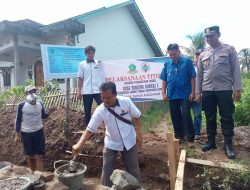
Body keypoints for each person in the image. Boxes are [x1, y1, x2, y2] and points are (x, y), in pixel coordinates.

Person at [73, 82, 142, 187]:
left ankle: (137, 187)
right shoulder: (100, 110)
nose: (105, 101)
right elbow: (90, 129)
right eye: (103, 97)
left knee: (133, 169)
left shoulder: (126, 102)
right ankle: (105, 187)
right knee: (107, 170)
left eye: (108, 97)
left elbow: (137, 117)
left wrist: (139, 135)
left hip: (129, 140)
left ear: (115, 94)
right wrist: (79, 144)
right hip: (111, 142)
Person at [195, 26, 242, 159]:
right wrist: (198, 92)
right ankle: (211, 142)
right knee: (210, 116)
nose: (209, 39)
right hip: (208, 90)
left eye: (211, 35)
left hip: (225, 89)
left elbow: (236, 69)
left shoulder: (229, 49)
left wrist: (237, 89)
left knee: (226, 116)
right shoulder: (203, 54)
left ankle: (228, 144)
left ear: (219, 35)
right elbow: (199, 75)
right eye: (207, 37)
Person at [160, 43, 196, 143]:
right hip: (172, 94)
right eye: (170, 55)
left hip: (185, 94)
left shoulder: (187, 62)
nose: (172, 57)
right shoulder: (167, 64)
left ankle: (190, 137)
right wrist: (163, 93)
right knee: (175, 115)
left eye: (174, 54)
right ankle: (179, 136)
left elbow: (192, 77)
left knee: (186, 114)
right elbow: (164, 79)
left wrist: (193, 92)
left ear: (178, 52)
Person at [14, 85, 49, 173]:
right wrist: (17, 135)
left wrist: (49, 112)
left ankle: (40, 176)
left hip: (39, 132)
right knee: (30, 156)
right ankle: (33, 174)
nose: (32, 94)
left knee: (40, 155)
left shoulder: (40, 104)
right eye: (30, 92)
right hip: (26, 133)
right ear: (26, 93)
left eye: (34, 92)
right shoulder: (21, 105)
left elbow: (43, 115)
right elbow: (18, 120)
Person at [77, 45, 104, 126]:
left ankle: (106, 125)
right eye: (89, 53)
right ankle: (88, 128)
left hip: (98, 91)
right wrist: (79, 91)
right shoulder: (81, 64)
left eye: (92, 53)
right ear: (86, 54)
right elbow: (80, 78)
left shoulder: (99, 63)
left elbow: (104, 75)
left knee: (103, 108)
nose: (91, 54)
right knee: (87, 111)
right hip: (87, 91)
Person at [192, 49, 203, 140]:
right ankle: (187, 132)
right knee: (184, 113)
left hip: (198, 94)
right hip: (188, 94)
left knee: (197, 114)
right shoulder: (190, 67)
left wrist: (200, 93)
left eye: (200, 55)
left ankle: (197, 133)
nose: (198, 57)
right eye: (197, 55)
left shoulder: (206, 68)